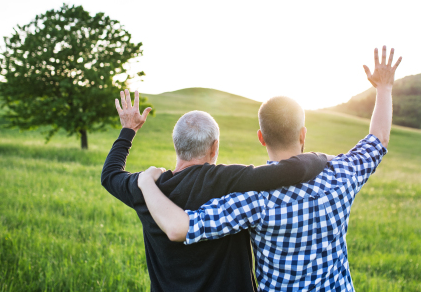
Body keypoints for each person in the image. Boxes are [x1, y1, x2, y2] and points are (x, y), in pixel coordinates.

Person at [136, 46, 402, 291]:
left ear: (261, 137)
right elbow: (379, 138)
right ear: (303, 134)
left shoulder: (254, 198)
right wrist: (384, 88)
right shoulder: (341, 175)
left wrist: (147, 181)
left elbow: (178, 228)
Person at [101, 90, 328, 292]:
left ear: (176, 144)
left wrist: (128, 130)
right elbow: (290, 170)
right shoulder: (227, 180)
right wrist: (322, 157)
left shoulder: (147, 188)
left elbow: (110, 175)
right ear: (214, 147)